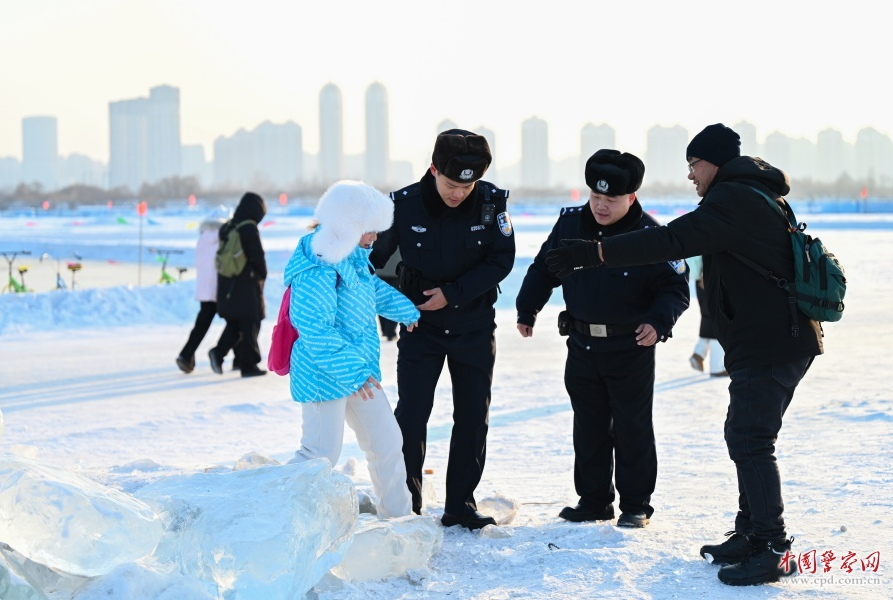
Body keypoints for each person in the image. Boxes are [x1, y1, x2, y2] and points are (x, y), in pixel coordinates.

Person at [544, 124, 823, 586]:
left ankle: (772, 546)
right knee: (745, 435)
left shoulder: (733, 199)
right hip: (769, 338)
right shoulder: (750, 194)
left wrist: (596, 253)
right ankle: (752, 533)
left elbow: (670, 241)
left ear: (712, 162)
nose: (691, 175)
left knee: (751, 439)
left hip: (773, 341)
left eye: (693, 165)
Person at [516, 150, 689, 529]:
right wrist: (528, 308)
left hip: (631, 347)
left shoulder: (650, 235)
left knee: (632, 426)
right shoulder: (570, 225)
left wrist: (659, 323)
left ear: (631, 198)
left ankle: (636, 504)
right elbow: (545, 266)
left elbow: (675, 288)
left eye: (611, 200)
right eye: (596, 197)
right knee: (589, 425)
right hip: (581, 344)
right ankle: (594, 500)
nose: (601, 206)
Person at [370, 129, 515, 530]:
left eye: (467, 185)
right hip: (422, 327)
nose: (459, 193)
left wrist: (451, 294)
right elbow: (371, 259)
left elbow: (502, 259)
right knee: (411, 415)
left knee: (472, 416)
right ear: (433, 169)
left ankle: (460, 505)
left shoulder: (489, 204)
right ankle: (407, 501)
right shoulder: (403, 206)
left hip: (473, 325)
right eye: (452, 184)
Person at [285, 180, 420, 519]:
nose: (375, 237)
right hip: (324, 376)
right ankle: (276, 516)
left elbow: (371, 288)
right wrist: (353, 372)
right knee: (318, 457)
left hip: (358, 371)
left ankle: (400, 519)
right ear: (347, 225)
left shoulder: (353, 259)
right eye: (369, 230)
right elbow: (315, 331)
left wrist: (406, 310)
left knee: (387, 442)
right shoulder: (317, 267)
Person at [209, 192, 269, 378]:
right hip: (246, 284)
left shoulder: (228, 226)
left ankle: (219, 353)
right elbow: (257, 256)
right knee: (251, 322)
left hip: (228, 283)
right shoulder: (248, 228)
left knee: (236, 323)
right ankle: (248, 365)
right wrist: (262, 275)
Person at [176, 207, 230, 373]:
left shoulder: (202, 237)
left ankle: (186, 355)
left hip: (204, 287)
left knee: (201, 324)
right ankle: (237, 357)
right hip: (219, 286)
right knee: (238, 321)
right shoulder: (224, 236)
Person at [687, 255, 727, 377]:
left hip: (704, 276)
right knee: (718, 318)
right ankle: (716, 367)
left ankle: (699, 353)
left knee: (710, 316)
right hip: (708, 277)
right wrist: (706, 274)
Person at [375, 249, 402, 341]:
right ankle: (390, 331)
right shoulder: (400, 235)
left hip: (380, 271)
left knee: (382, 301)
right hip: (396, 271)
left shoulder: (378, 235)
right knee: (393, 302)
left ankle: (385, 330)